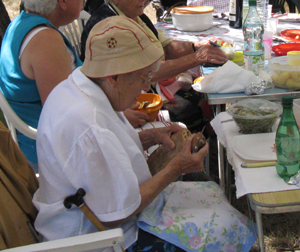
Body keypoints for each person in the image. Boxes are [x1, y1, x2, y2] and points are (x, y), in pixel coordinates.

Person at [33, 16, 209, 250]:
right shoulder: (87, 122)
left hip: (105, 217)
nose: (146, 87)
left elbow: (107, 152)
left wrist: (151, 136)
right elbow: (118, 212)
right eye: (143, 77)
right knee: (211, 228)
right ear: (113, 77)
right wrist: (175, 168)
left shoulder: (81, 87)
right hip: (98, 239)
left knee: (204, 194)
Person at [80, 0, 228, 129]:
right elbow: (148, 73)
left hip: (142, 90)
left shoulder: (133, 14)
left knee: (199, 93)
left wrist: (197, 46)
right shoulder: (110, 27)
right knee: (190, 109)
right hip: (124, 105)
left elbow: (166, 47)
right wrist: (197, 58)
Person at [0, 0, 86, 166]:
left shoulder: (23, 22)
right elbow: (64, 116)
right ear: (63, 0)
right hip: (49, 153)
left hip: (42, 141)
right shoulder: (45, 40)